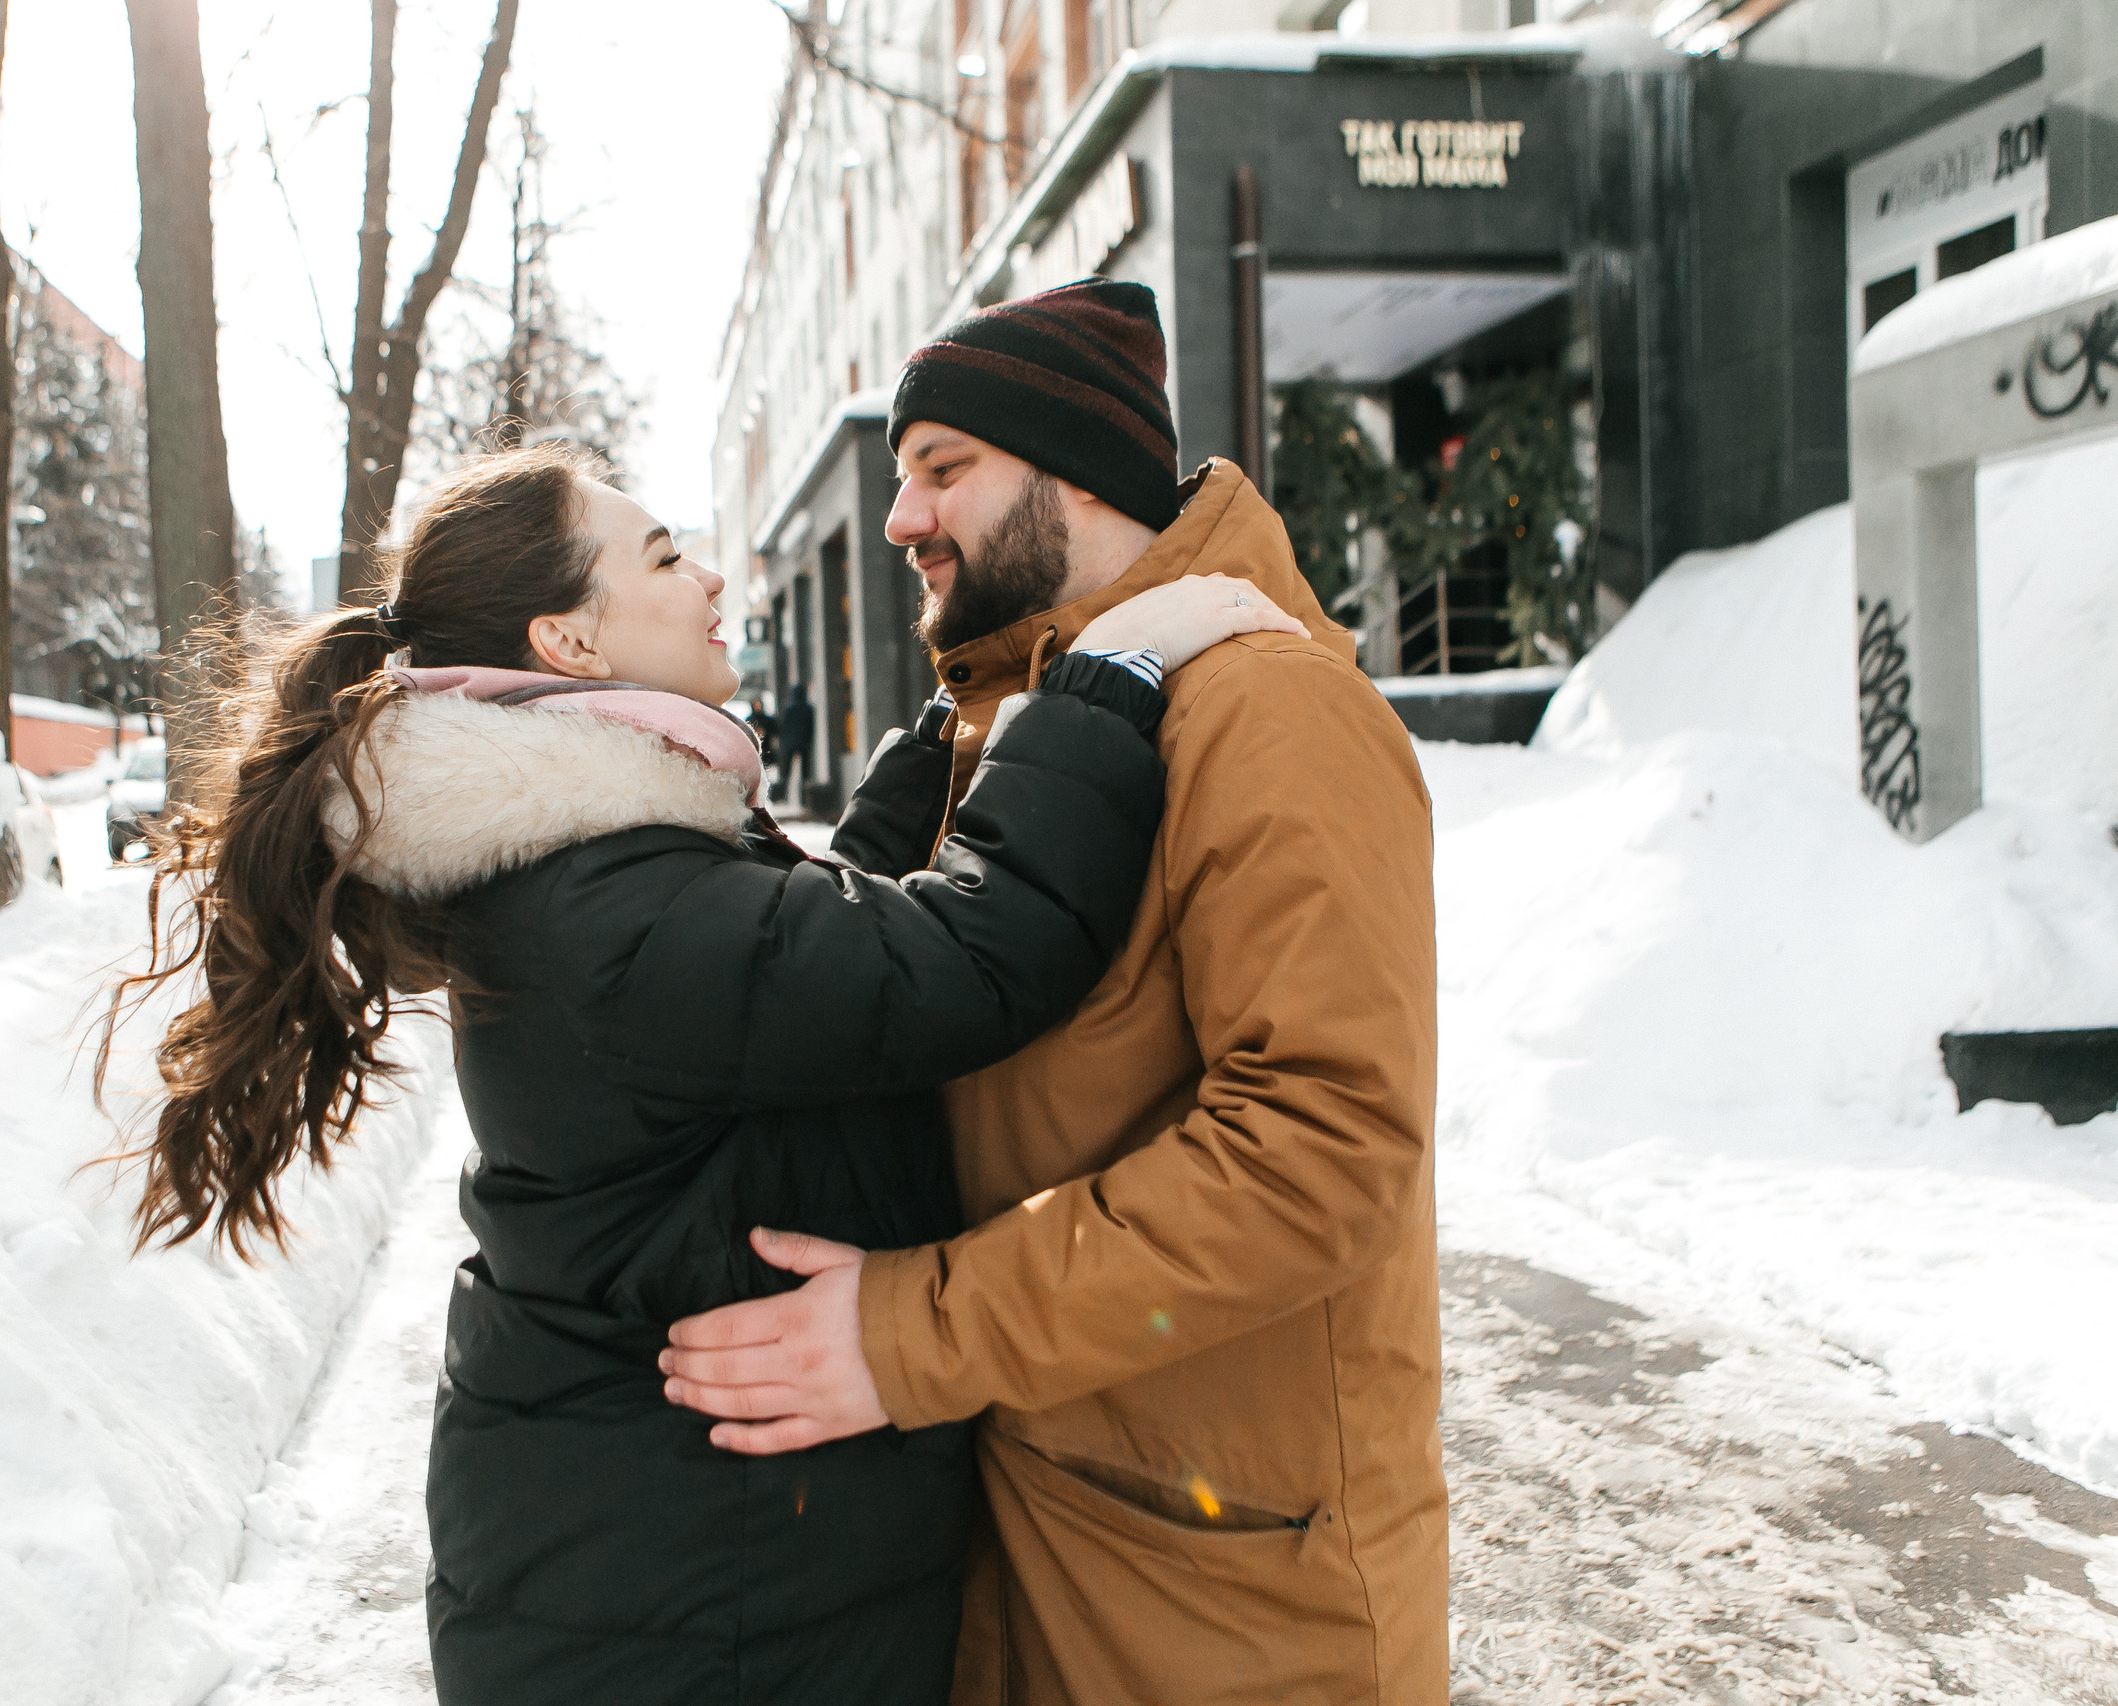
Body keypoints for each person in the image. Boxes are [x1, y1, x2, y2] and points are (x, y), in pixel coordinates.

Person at [109, 441, 1299, 1706]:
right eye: (667, 557)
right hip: (694, 1614)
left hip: (686, 1576)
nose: (713, 578)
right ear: (568, 643)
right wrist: (1099, 690)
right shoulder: (601, 909)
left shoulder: (591, 862)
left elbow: (808, 939)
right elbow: (959, 960)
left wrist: (951, 736)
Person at [659, 279, 1447, 1705]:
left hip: (1227, 1608)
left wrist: (911, 1335)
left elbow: (1321, 1154)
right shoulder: (1019, 721)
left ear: (1077, 478)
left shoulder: (1270, 710)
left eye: (943, 471)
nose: (902, 520)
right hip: (1047, 1541)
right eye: (903, 479)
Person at [774, 678, 814, 806]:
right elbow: (810, 728)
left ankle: (783, 798)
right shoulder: (808, 709)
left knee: (786, 773)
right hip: (803, 744)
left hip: (790, 743)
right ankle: (805, 800)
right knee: (805, 774)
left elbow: (783, 727)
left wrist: (785, 740)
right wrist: (808, 741)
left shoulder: (789, 709)